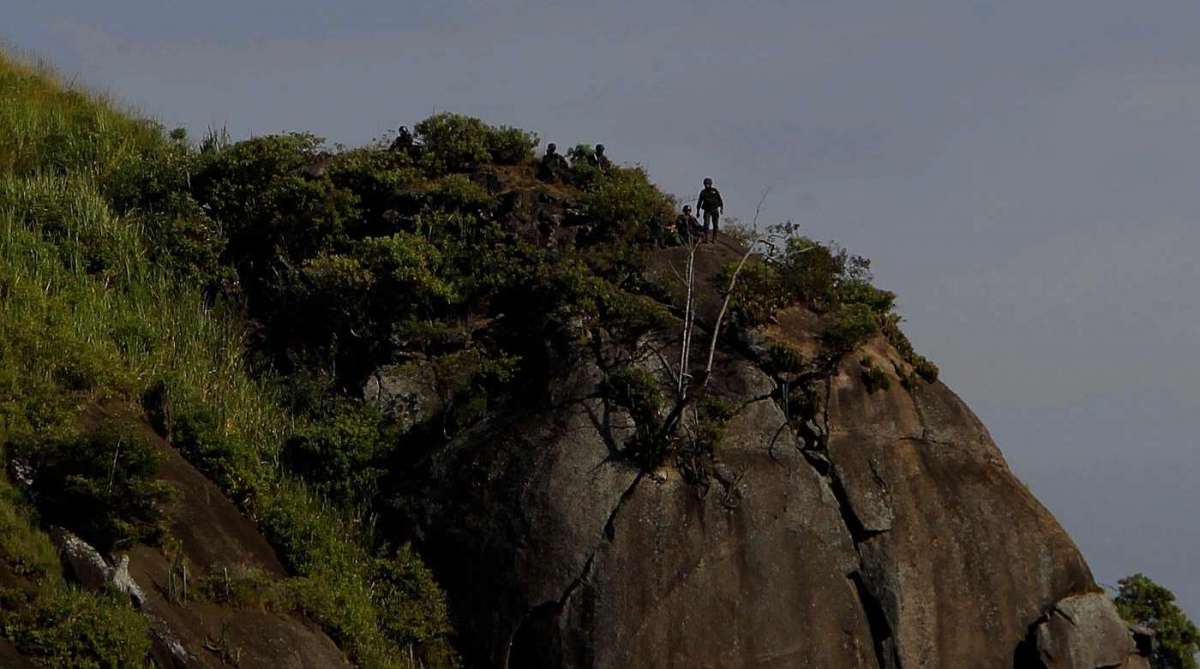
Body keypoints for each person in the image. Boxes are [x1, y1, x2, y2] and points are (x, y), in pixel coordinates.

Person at [696, 177, 724, 243]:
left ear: (710, 184)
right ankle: (706, 238)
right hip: (707, 210)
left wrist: (721, 208)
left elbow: (720, 199)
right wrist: (698, 211)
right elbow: (699, 202)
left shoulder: (714, 191)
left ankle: (714, 238)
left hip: (715, 209)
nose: (707, 185)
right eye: (706, 184)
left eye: (708, 184)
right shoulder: (703, 192)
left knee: (715, 225)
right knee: (706, 224)